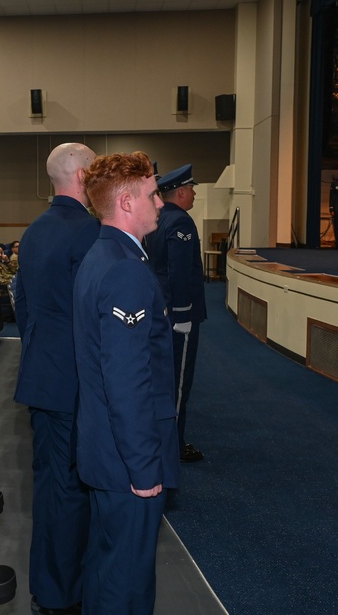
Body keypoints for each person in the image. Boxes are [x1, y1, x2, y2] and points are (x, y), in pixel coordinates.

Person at [73, 150, 179, 615]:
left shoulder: (101, 255)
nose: (161, 204)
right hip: (126, 460)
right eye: (153, 195)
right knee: (127, 586)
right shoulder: (125, 271)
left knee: (107, 568)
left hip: (104, 451)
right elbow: (127, 382)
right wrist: (143, 469)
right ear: (127, 202)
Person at [13, 142, 99, 615]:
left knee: (49, 488)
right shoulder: (87, 232)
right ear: (85, 176)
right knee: (69, 493)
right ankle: (62, 595)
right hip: (73, 383)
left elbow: (23, 306)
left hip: (44, 374)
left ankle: (46, 587)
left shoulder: (35, 230)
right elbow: (90, 317)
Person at [146, 163, 207, 464]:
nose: (194, 194)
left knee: (164, 379)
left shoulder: (157, 218)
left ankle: (162, 438)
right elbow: (180, 273)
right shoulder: (181, 223)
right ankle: (173, 444)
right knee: (179, 382)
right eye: (192, 189)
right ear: (181, 192)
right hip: (178, 315)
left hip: (160, 308)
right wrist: (183, 314)